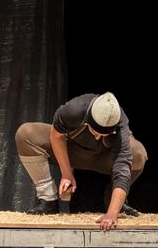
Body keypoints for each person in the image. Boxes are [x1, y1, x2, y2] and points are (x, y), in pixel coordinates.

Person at [15, 92, 147, 231]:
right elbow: (57, 136)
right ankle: (47, 199)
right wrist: (66, 173)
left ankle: (114, 201)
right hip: (72, 151)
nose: (97, 137)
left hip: (104, 157)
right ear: (88, 120)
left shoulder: (121, 124)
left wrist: (112, 213)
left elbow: (123, 167)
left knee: (138, 154)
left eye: (103, 134)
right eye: (95, 132)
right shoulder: (74, 109)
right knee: (25, 133)